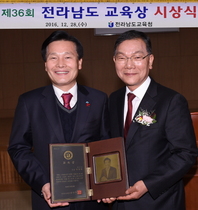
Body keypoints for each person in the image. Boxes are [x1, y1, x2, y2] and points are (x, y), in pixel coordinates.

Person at [8, 30, 109, 210]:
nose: (60, 64)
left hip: (92, 202)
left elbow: (106, 145)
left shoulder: (98, 99)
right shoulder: (29, 102)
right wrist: (43, 183)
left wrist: (106, 185)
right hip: (49, 200)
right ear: (45, 65)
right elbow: (18, 148)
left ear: (79, 63)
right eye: (53, 58)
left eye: (68, 57)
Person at [104, 30, 198, 210]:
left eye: (137, 57)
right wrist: (105, 186)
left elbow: (186, 154)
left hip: (158, 201)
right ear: (114, 61)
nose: (129, 64)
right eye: (122, 58)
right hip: (119, 202)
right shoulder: (113, 100)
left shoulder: (171, 101)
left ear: (150, 60)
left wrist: (147, 184)